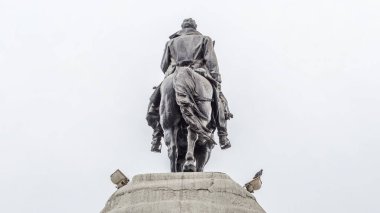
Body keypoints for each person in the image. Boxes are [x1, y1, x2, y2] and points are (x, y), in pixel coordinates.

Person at [146, 18, 232, 152]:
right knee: (219, 100)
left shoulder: (171, 42)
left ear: (182, 28)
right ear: (195, 27)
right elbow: (211, 62)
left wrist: (174, 71)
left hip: (174, 73)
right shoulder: (205, 39)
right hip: (198, 72)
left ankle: (156, 137)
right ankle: (223, 135)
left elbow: (163, 66)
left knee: (154, 103)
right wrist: (216, 80)